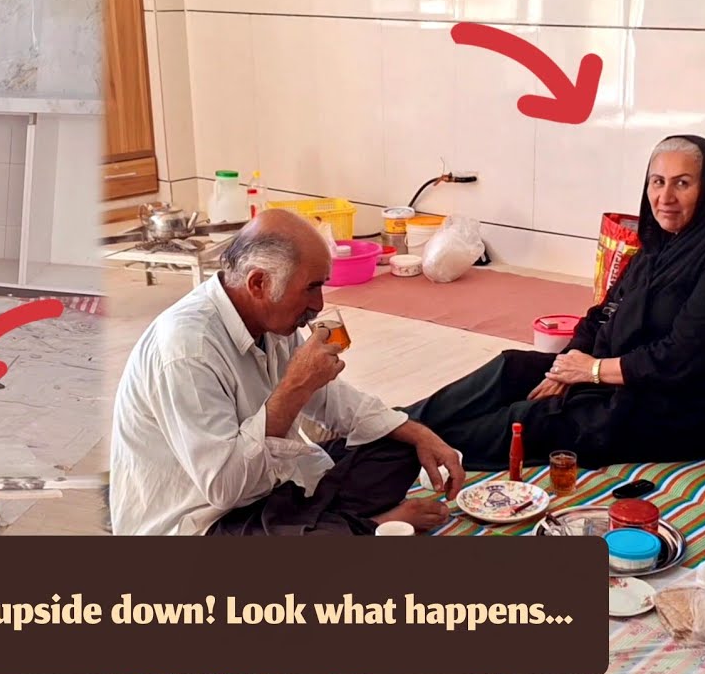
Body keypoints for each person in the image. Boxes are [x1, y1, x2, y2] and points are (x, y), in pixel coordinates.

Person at [109, 209, 465, 537]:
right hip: (203, 521)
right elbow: (224, 489)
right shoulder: (187, 349)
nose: (319, 304)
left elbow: (332, 400)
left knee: (395, 444)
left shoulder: (270, 319)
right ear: (259, 284)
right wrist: (295, 386)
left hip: (273, 492)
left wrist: (416, 432)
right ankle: (366, 526)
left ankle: (337, 525)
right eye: (311, 287)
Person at [404, 135, 705, 471]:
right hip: (611, 372)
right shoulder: (662, 240)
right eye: (657, 182)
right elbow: (603, 314)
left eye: (682, 183)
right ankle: (395, 425)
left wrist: (591, 371)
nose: (665, 197)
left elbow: (682, 356)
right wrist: (567, 366)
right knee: (511, 369)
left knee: (526, 418)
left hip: (675, 406)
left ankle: (411, 449)